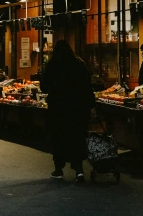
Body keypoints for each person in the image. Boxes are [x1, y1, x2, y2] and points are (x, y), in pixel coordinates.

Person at [41, 40, 95, 183]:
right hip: (78, 109)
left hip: (58, 109)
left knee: (58, 137)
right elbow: (87, 87)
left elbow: (44, 87)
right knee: (77, 137)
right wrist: (91, 105)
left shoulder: (52, 66)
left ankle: (58, 169)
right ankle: (79, 170)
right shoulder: (79, 64)